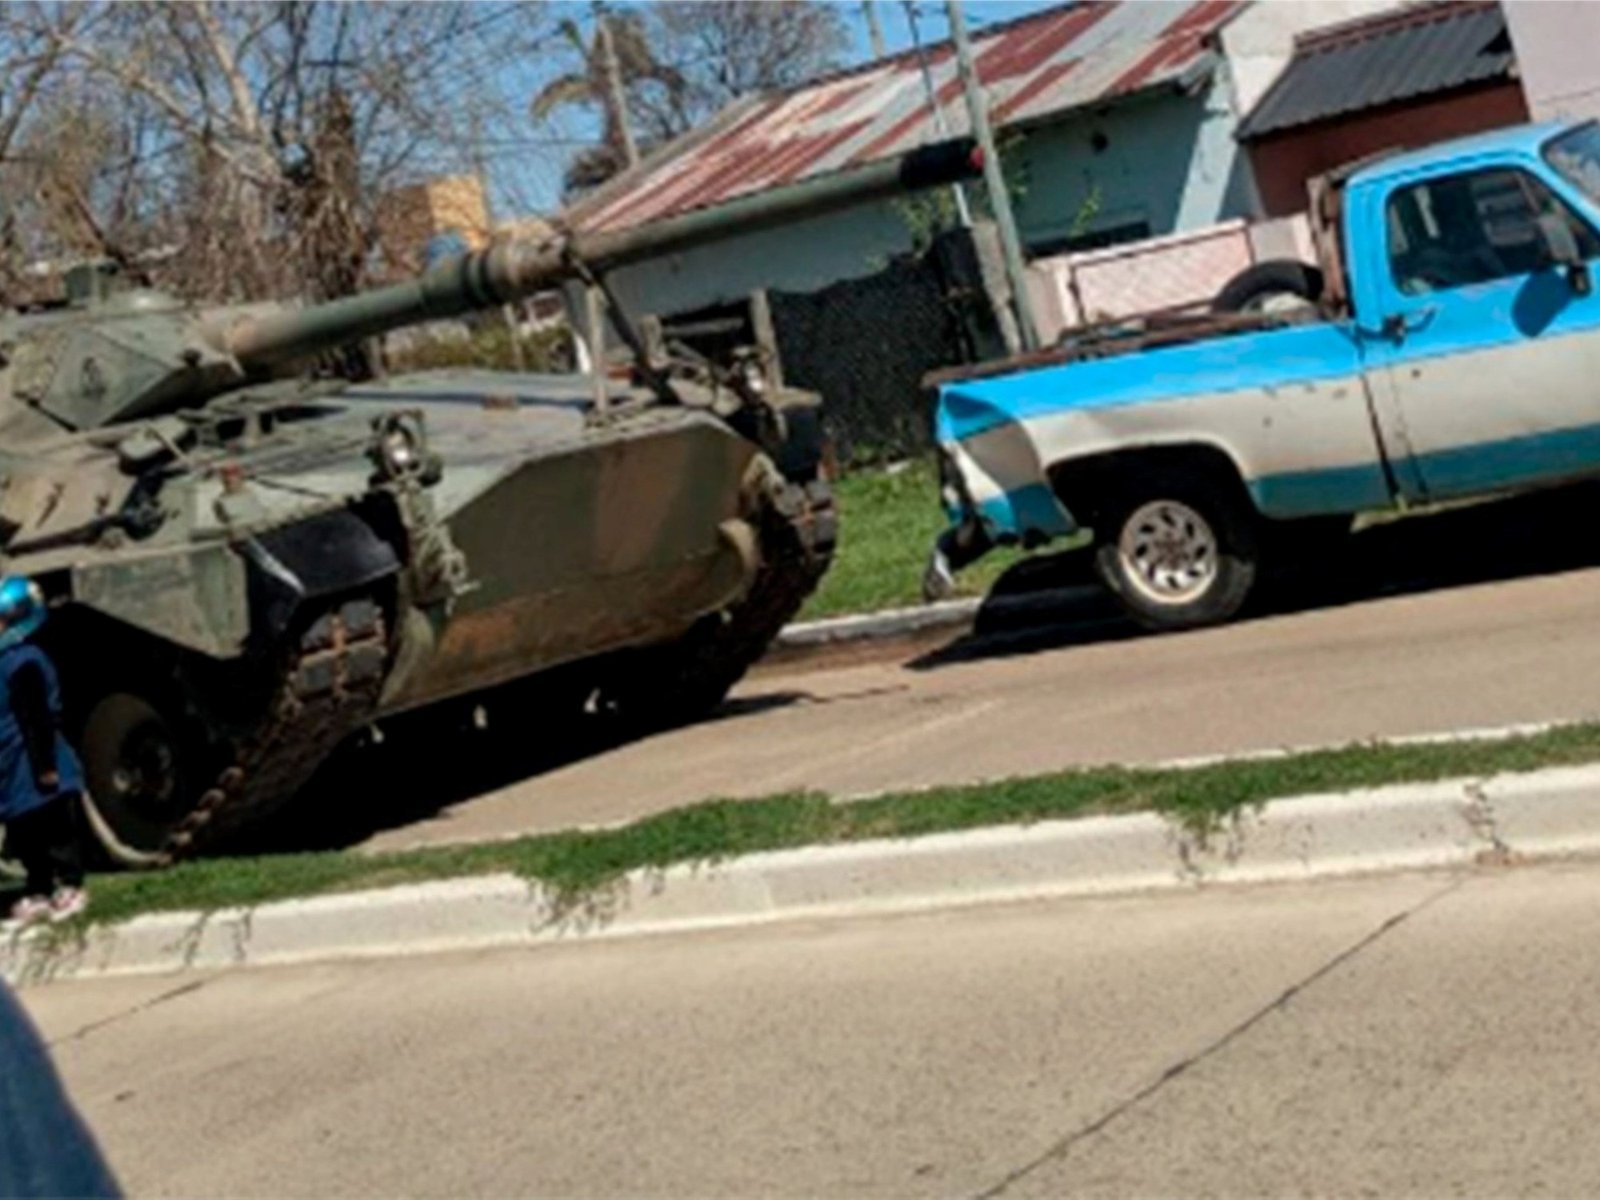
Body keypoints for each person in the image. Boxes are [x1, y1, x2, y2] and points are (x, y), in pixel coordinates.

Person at [0, 576, 88, 925]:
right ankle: (37, 886)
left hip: (33, 759)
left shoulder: (25, 661)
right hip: (9, 764)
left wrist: (45, 765)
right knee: (24, 832)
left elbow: (36, 716)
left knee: (54, 827)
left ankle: (69, 884)